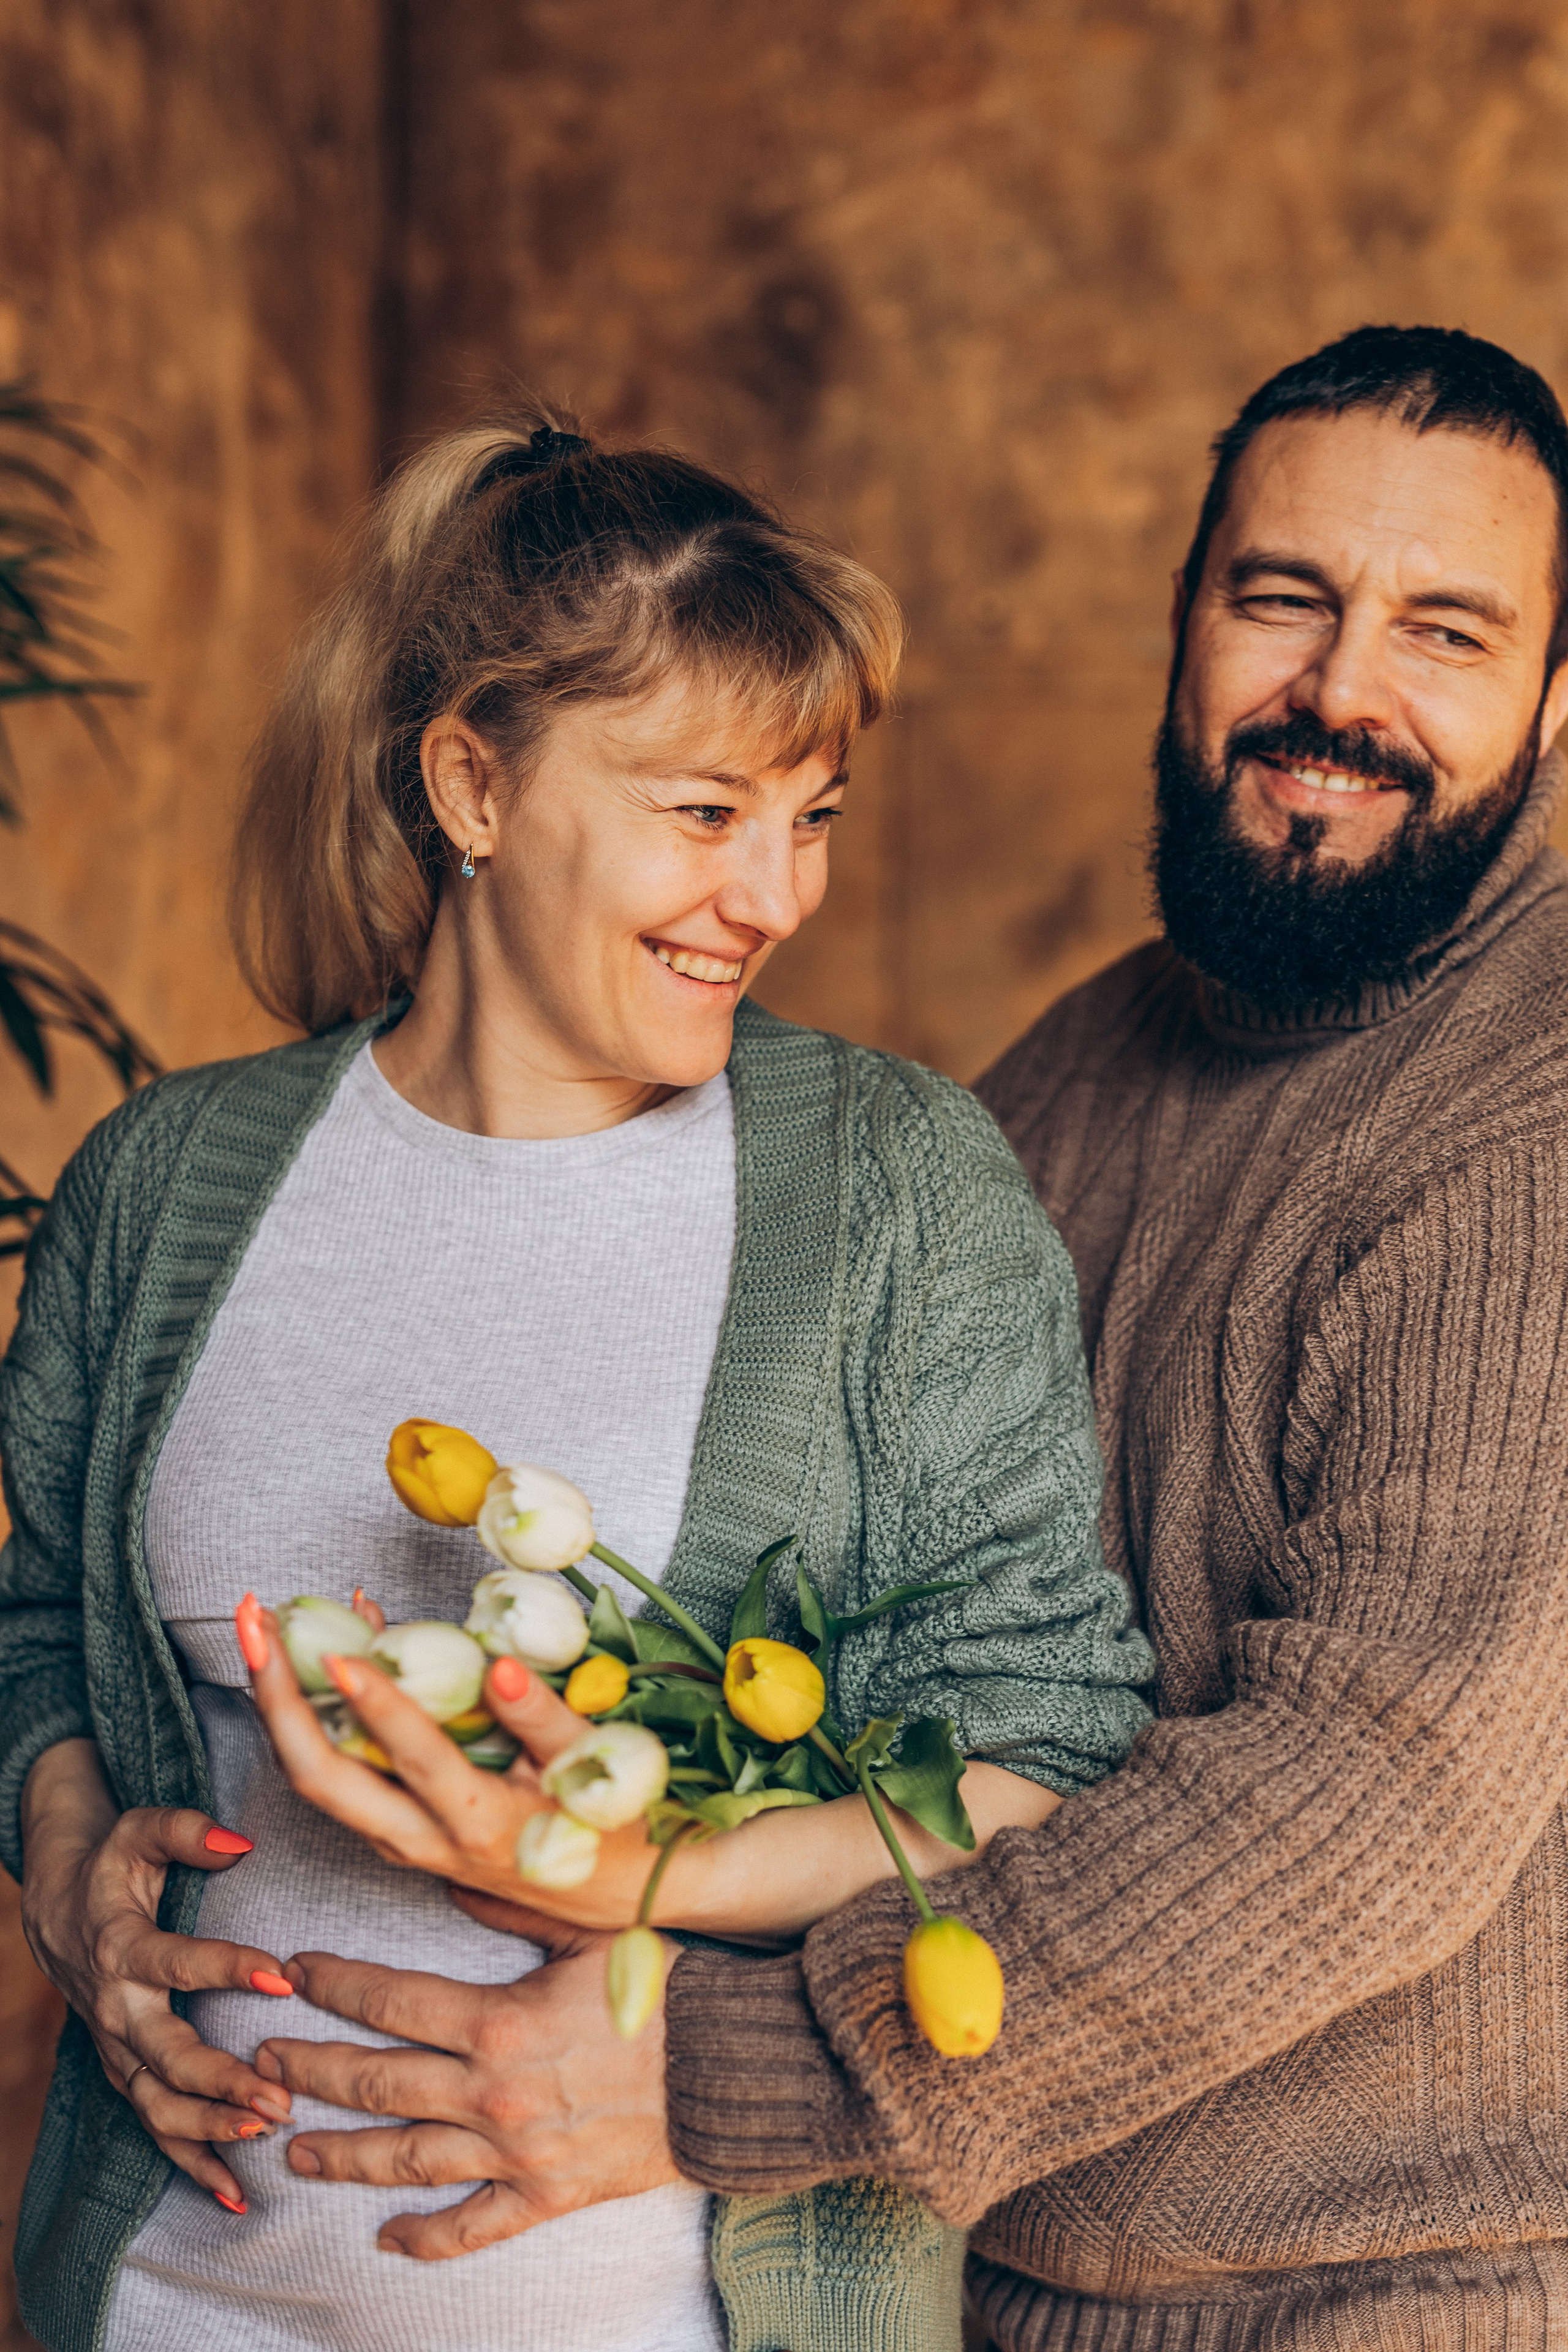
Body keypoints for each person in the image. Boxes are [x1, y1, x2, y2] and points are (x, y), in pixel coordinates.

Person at [189, 323, 1568, 2351]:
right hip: (941, 2279)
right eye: (1285, 598)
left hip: (1366, 2304)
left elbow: (1371, 1790)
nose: (1339, 691)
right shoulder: (1069, 1067)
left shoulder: (1526, 1114)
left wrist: (714, 2069)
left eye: (1446, 631)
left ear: (1555, 693)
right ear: (1186, 624)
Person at [0, 413, 1154, 2352]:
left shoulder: (898, 1197)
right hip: (157, 2297)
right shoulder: (167, 1182)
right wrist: (66, 1879)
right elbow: (39, 1619)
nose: (776, 894)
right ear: (472, 783)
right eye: (706, 813)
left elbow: (1041, 1764)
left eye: (812, 818)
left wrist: (644, 1876)